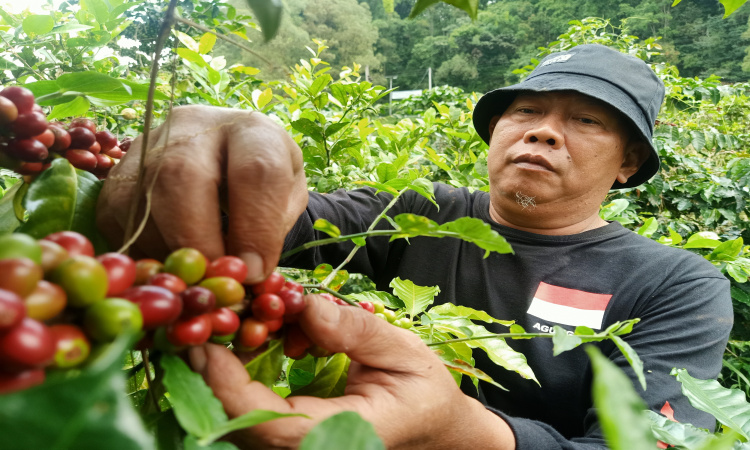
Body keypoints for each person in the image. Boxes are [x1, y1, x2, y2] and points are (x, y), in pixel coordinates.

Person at [98, 44, 733, 449]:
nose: (543, 132)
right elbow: (279, 224)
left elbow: (653, 444)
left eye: (587, 121)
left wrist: (456, 428)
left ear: (628, 165)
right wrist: (222, 167)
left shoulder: (679, 283)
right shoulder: (422, 213)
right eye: (526, 112)